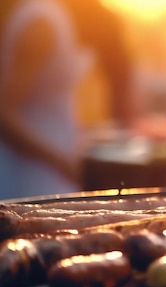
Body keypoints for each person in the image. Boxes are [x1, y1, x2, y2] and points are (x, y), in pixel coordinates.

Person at [0, 0, 135, 199]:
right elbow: (4, 112)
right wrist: (59, 160)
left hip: (55, 171)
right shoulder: (41, 25)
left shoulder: (65, 19)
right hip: (29, 175)